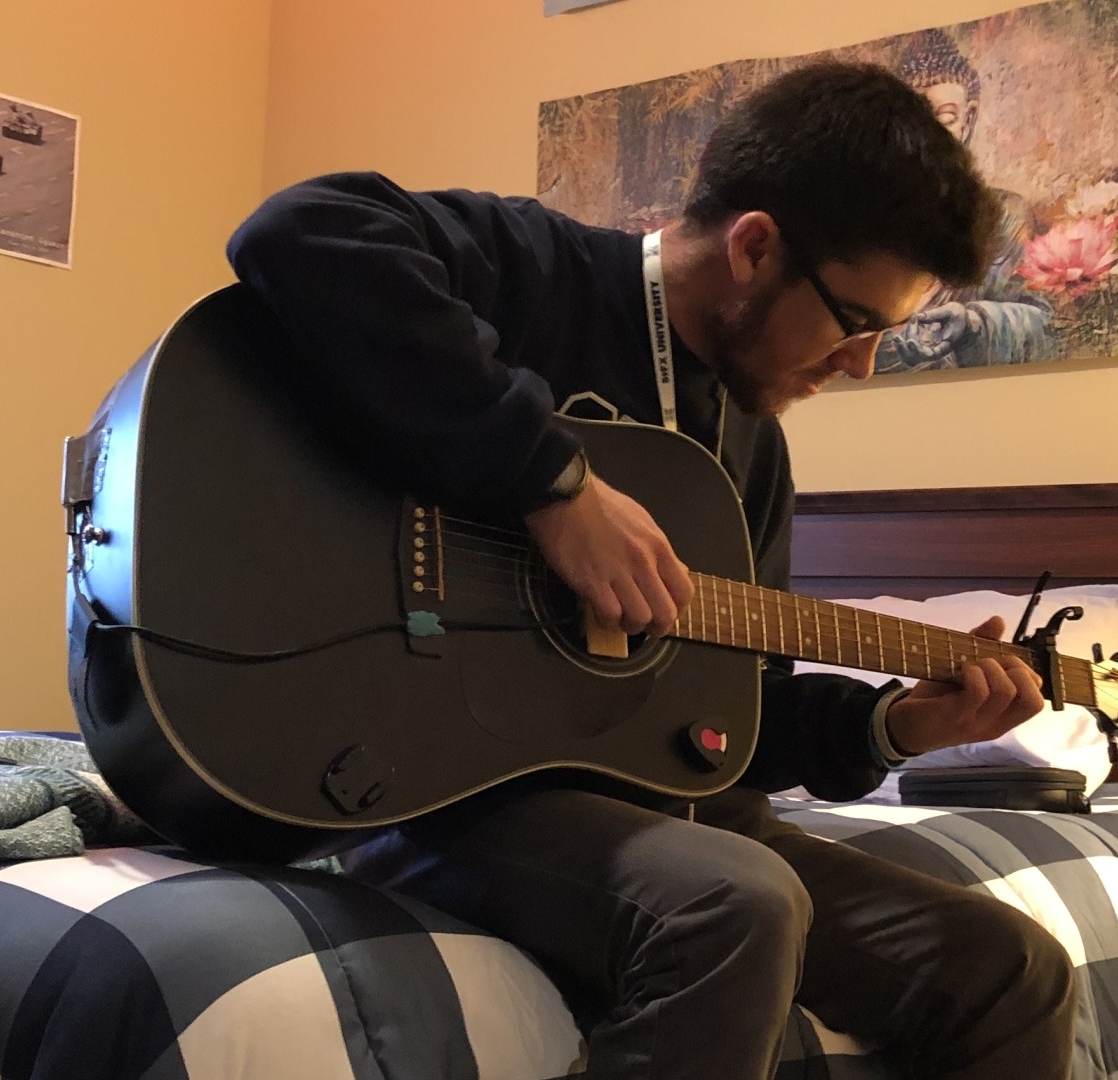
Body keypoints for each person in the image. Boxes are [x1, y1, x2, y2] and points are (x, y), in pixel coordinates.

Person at [226, 61, 1075, 1080]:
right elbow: (301, 232)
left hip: (661, 814)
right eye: (857, 322)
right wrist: (552, 484)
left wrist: (890, 727)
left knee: (1013, 966)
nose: (864, 364)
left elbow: (727, 728)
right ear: (756, 247)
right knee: (739, 898)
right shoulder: (539, 270)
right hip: (442, 787)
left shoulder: (752, 446)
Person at [876, 30, 1051, 373]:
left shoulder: (1004, 215)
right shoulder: (872, 224)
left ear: (968, 119)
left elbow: (1042, 323)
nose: (929, 136)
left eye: (944, 119)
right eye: (915, 122)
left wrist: (972, 322)